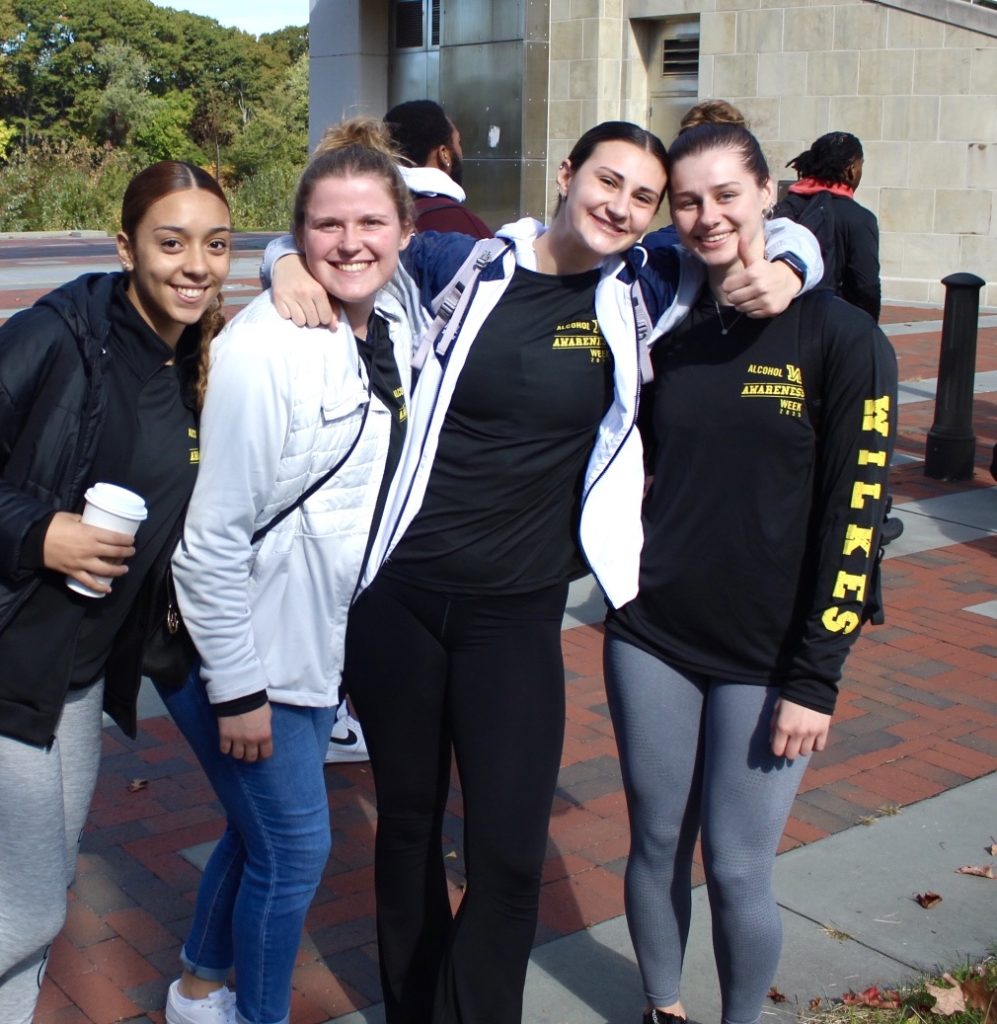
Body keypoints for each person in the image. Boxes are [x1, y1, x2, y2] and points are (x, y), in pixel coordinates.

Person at [263, 119, 822, 1024]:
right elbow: (349, 242)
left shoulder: (643, 283)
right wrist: (283, 262)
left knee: (510, 855)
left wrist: (794, 265)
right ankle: (413, 1007)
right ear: (565, 174)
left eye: (645, 198)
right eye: (608, 182)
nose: (622, 207)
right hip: (399, 596)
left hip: (515, 614)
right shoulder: (463, 262)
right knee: (405, 826)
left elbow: (764, 228)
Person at [603, 120, 897, 1024]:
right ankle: (663, 1007)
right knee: (656, 841)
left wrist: (816, 675)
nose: (706, 216)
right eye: (685, 200)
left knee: (735, 865)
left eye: (726, 194)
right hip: (654, 633)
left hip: (770, 656)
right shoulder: (666, 320)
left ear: (770, 192)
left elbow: (859, 523)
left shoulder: (845, 342)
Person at [159, 118, 419, 1024]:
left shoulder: (393, 317)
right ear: (302, 235)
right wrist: (237, 690)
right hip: (246, 650)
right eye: (326, 228)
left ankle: (198, 984)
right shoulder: (265, 351)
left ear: (405, 234)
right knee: (298, 849)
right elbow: (210, 542)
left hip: (315, 641)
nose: (351, 243)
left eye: (371, 224)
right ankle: (252, 1015)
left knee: (259, 828)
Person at [0, 161, 231, 1024]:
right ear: (125, 244)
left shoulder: (192, 355)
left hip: (80, 676)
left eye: (214, 244)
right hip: (14, 655)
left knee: (40, 889)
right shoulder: (61, 335)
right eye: (170, 243)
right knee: (25, 906)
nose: (194, 265)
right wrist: (39, 531)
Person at [778, 131, 881, 321]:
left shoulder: (784, 207)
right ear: (851, 170)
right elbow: (866, 289)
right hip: (829, 328)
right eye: (860, 166)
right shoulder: (860, 219)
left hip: (779, 324)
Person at [384, 99, 493, 238]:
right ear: (444, 155)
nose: (461, 151)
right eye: (458, 142)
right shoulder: (464, 224)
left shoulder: (372, 211)